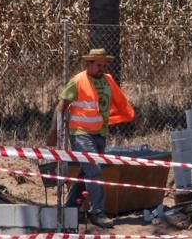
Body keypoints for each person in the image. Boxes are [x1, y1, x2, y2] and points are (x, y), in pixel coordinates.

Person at [46, 49, 135, 228]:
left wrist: (132, 116)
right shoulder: (77, 81)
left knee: (86, 172)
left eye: (104, 65)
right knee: (93, 170)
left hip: (100, 133)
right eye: (98, 65)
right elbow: (61, 106)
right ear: (89, 63)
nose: (101, 68)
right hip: (80, 133)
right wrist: (54, 130)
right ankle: (97, 213)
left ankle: (70, 208)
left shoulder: (107, 80)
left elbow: (118, 101)